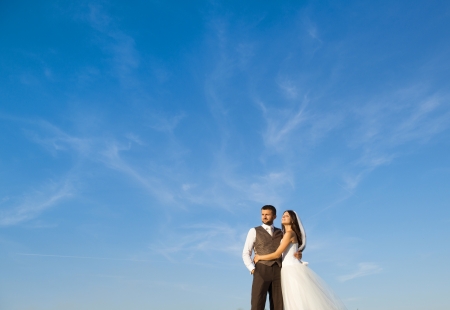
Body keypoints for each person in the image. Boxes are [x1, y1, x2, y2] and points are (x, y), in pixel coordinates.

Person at [254, 210, 347, 310]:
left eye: (287, 216)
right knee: (292, 300)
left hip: (291, 270)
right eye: (283, 215)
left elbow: (277, 254)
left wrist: (259, 257)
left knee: (296, 300)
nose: (283, 217)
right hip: (286, 269)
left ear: (293, 220)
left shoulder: (289, 234)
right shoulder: (284, 234)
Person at [242, 205, 302, 310]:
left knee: (278, 304)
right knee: (257, 303)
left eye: (267, 214)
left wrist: (298, 253)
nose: (264, 217)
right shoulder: (254, 231)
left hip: (278, 271)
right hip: (261, 270)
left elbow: (288, 248)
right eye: (262, 214)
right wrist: (252, 269)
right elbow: (246, 253)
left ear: (274, 216)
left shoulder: (281, 232)